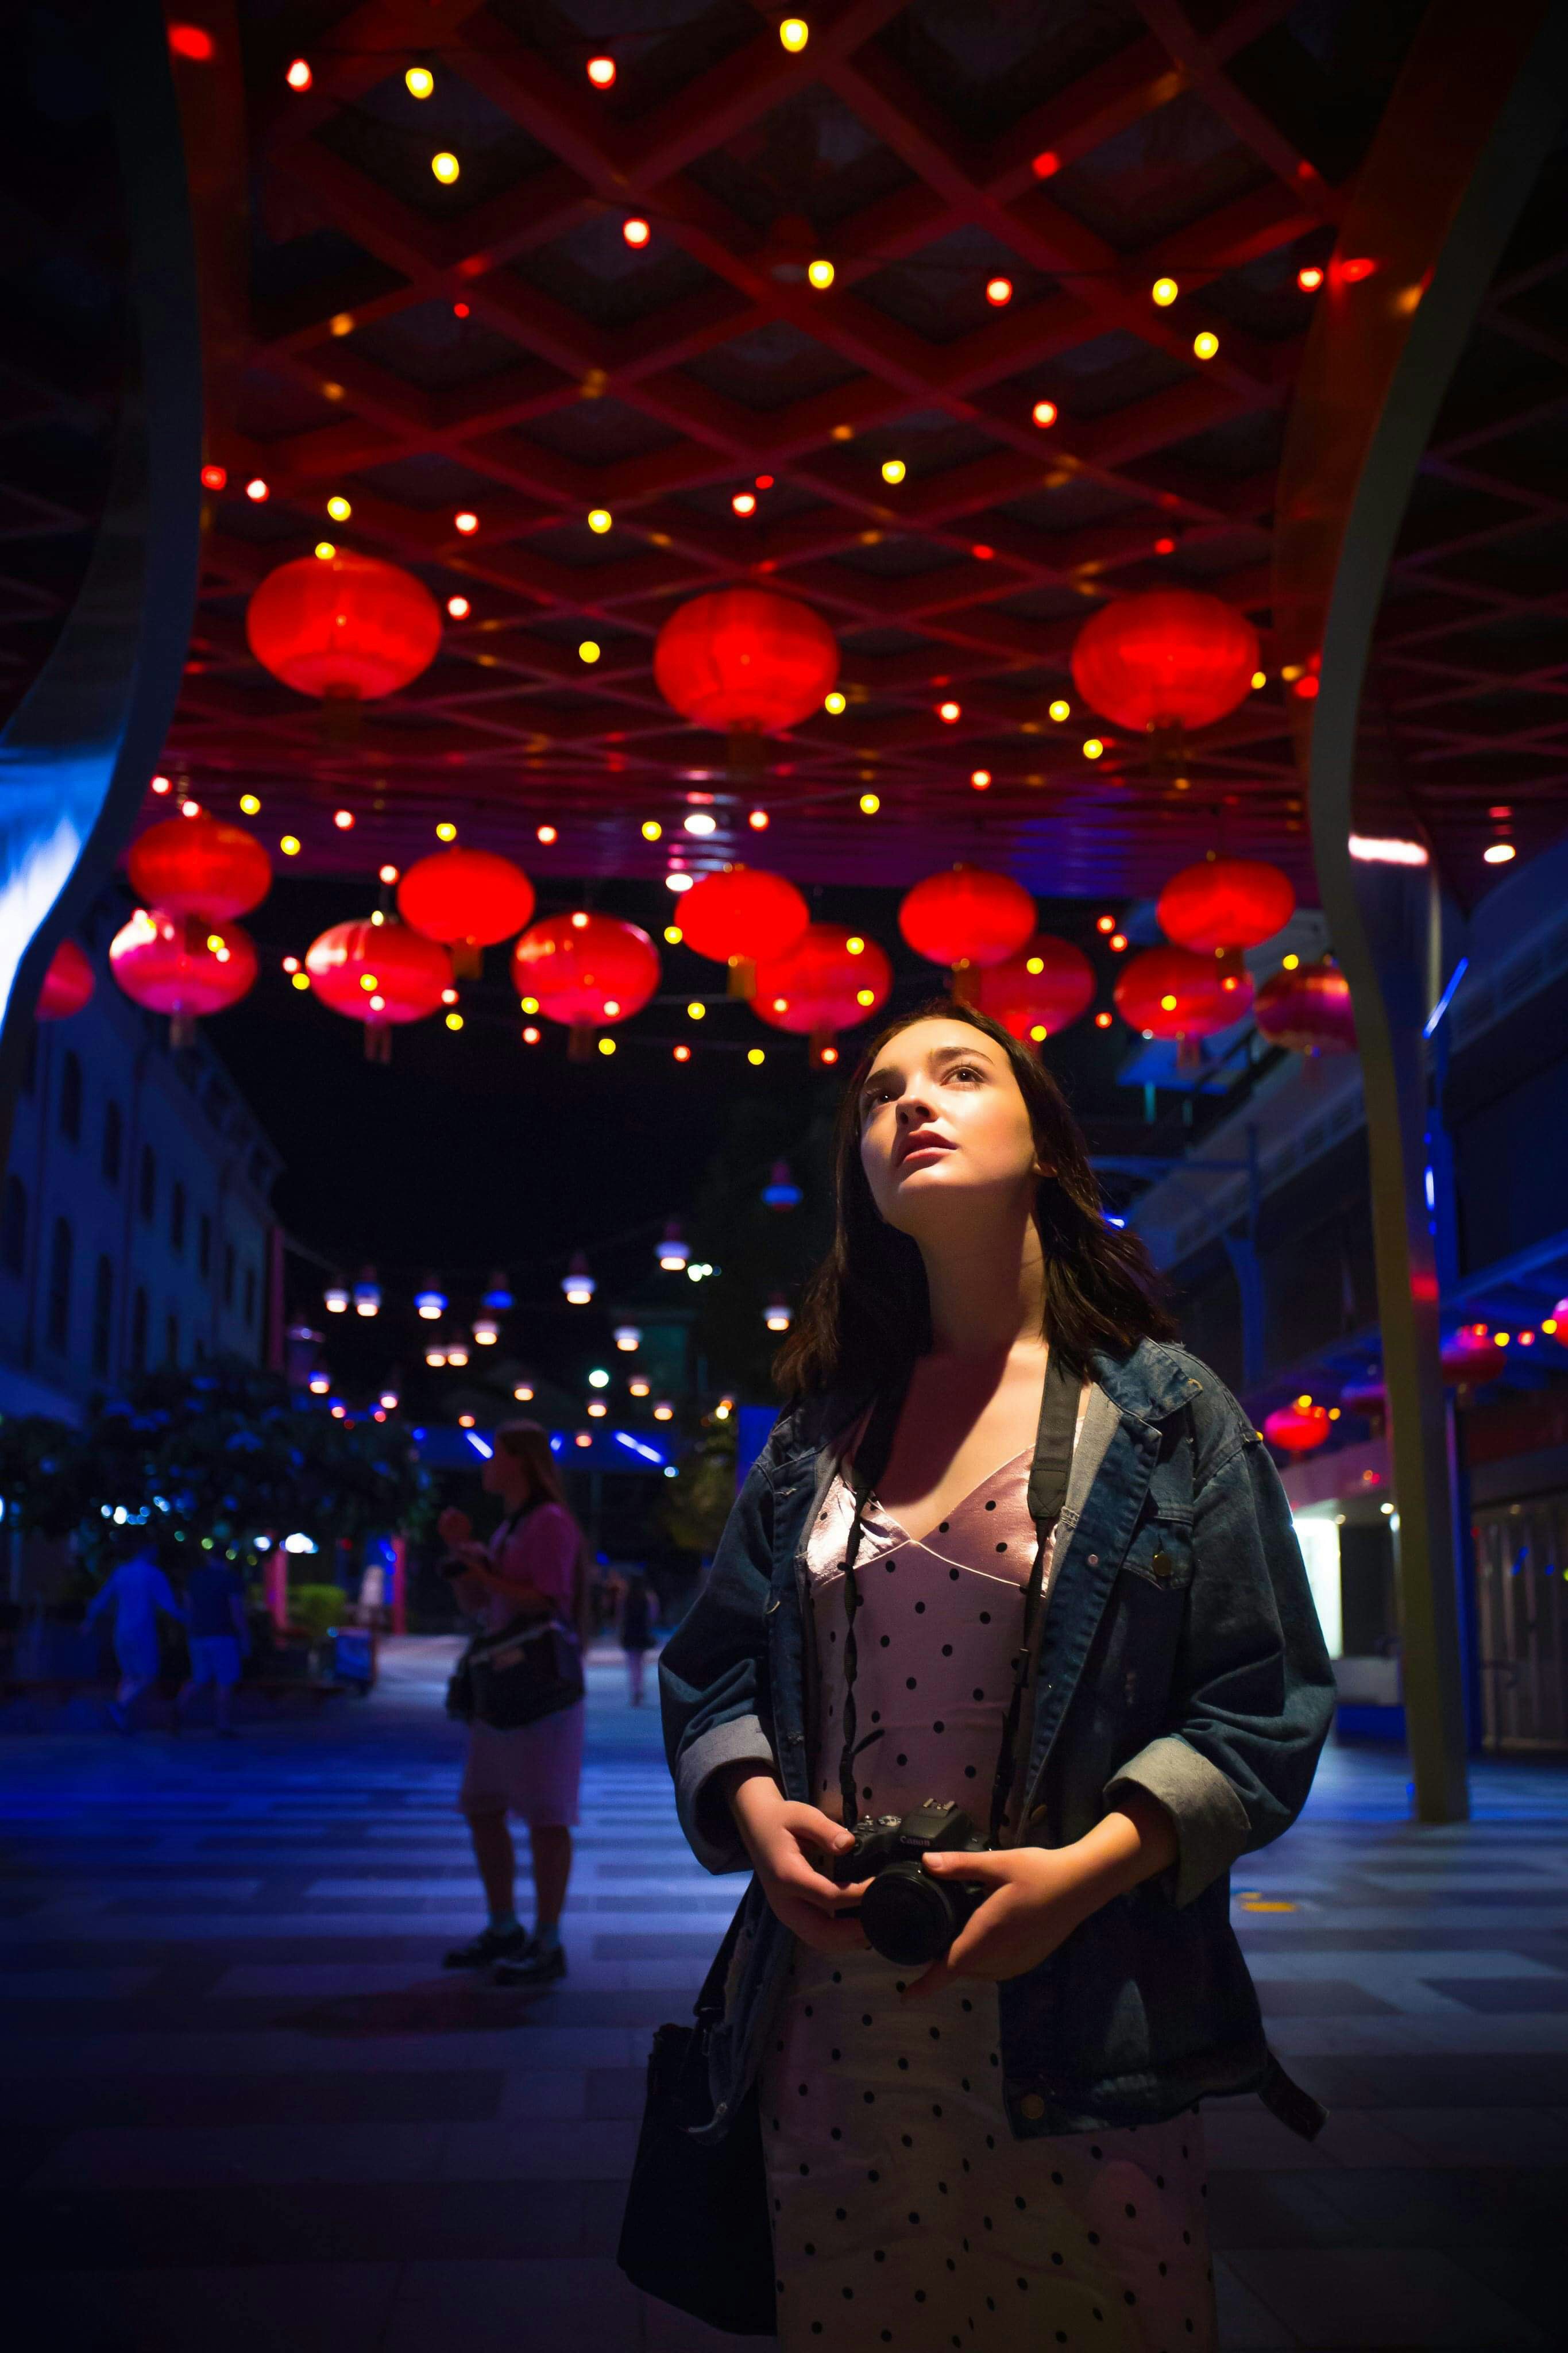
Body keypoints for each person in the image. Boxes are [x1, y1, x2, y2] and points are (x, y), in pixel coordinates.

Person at [658, 1002, 1335, 2353]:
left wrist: (1080, 1874)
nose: (911, 1104)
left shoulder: (1162, 1413)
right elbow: (712, 1669)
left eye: (960, 1073)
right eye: (878, 1094)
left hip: (1082, 2027)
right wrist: (756, 1821)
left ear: (1044, 1146)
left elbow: (1261, 1703)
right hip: (830, 2028)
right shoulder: (815, 1440)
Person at [440, 1421, 588, 1986]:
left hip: (540, 1688)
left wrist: (480, 1567)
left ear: (520, 1462)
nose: (485, 1463)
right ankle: (504, 1925)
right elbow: (481, 1602)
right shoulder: (510, 1526)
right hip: (503, 1689)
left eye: (494, 1454)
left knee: (548, 1816)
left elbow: (547, 1600)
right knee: (483, 1804)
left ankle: (546, 1939)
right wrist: (464, 1555)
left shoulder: (549, 1522)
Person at [85, 1547, 183, 1731]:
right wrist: (187, 1619)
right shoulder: (153, 1573)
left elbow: (102, 1598)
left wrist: (89, 1620)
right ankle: (120, 1707)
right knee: (148, 1675)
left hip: (121, 1632)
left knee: (129, 1676)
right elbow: (168, 1605)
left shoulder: (121, 1572)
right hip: (142, 1632)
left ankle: (122, 1721)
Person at [177, 1554, 249, 1733]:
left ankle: (177, 1710)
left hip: (198, 1635)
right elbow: (237, 1611)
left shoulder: (195, 1578)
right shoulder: (230, 1579)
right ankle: (222, 1724)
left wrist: (190, 1630)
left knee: (199, 1678)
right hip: (223, 1636)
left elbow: (188, 1606)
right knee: (225, 1680)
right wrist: (245, 1637)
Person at [619, 1568, 654, 1704]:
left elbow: (620, 1616)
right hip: (642, 1631)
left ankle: (635, 1690)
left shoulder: (625, 1596)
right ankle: (640, 1688)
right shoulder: (648, 1596)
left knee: (632, 1663)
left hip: (630, 1631)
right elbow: (652, 1615)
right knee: (640, 1662)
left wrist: (620, 1631)